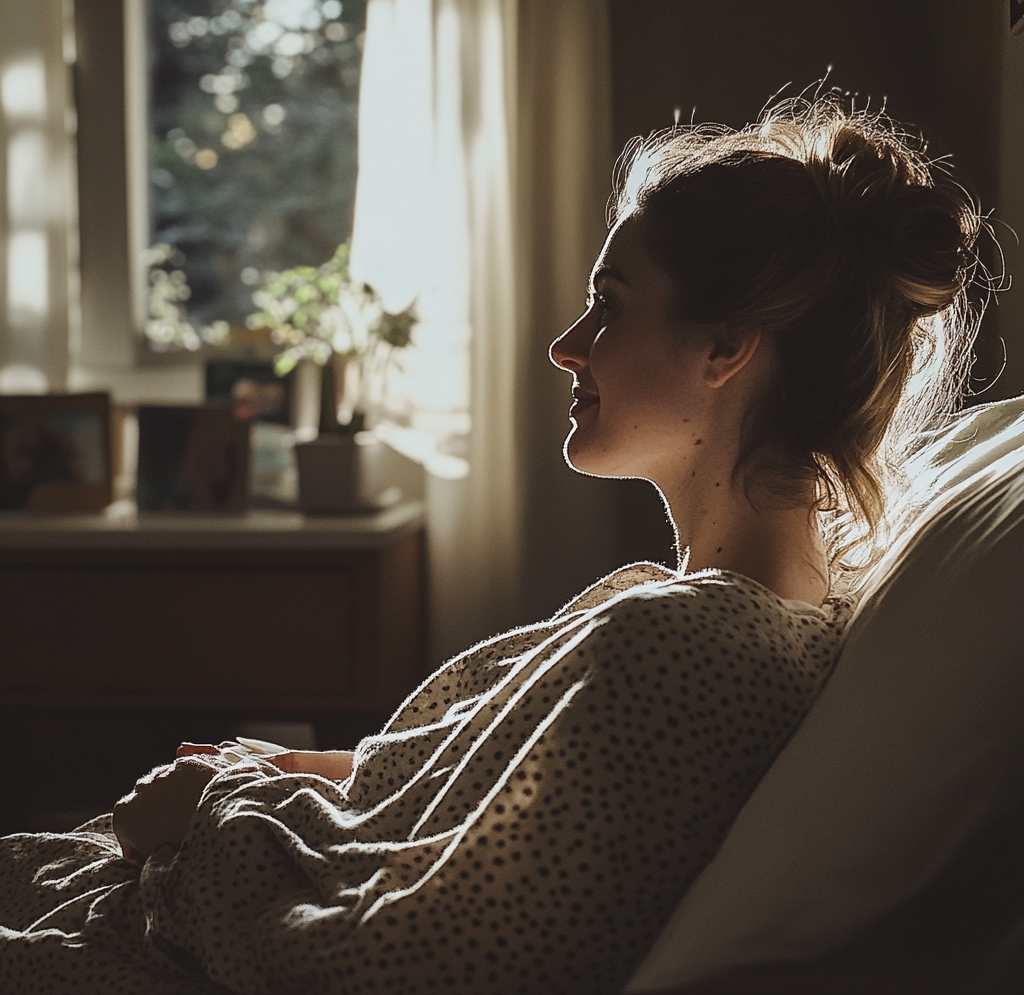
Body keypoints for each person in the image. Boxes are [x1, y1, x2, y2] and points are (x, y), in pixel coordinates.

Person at [0, 93, 981, 995]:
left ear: (724, 348)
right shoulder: (709, 618)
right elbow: (505, 814)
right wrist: (310, 774)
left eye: (611, 305)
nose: (567, 343)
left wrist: (202, 826)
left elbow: (420, 956)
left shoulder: (691, 649)